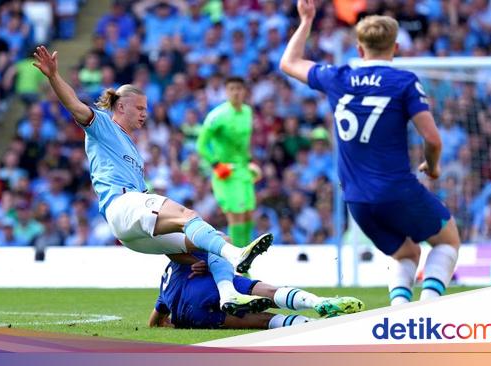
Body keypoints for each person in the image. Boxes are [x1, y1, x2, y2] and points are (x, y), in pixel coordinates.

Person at [32, 46, 272, 314]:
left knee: (216, 241)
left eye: (146, 109)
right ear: (121, 106)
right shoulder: (102, 125)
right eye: (140, 108)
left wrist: (190, 259)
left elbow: (162, 233)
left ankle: (229, 295)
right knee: (188, 214)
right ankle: (238, 256)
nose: (145, 113)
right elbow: (74, 105)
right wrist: (53, 76)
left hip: (134, 236)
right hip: (122, 205)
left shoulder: (134, 152)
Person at [279, 0, 460, 305]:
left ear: (359, 49)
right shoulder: (403, 82)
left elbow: (289, 62)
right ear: (396, 47)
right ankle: (430, 310)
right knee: (447, 240)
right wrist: (433, 165)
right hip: (397, 189)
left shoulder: (337, 77)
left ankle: (400, 314)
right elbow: (433, 138)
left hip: (357, 199)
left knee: (407, 253)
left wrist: (306, 20)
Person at [148, 252, 364, 329]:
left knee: (260, 321)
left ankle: (316, 326)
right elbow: (224, 243)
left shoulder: (164, 283)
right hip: (208, 282)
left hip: (189, 311)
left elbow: (155, 322)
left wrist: (174, 322)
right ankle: (316, 302)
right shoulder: (196, 248)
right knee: (268, 292)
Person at [197, 77, 261, 248]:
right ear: (226, 92)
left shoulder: (247, 112)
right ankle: (237, 262)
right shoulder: (217, 115)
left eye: (239, 88)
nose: (236, 92)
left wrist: (249, 162)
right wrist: (216, 165)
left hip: (244, 171)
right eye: (232, 89)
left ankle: (246, 261)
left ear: (245, 91)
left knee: (248, 216)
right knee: (236, 216)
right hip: (227, 173)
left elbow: (244, 143)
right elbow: (202, 144)